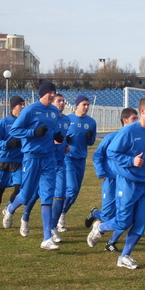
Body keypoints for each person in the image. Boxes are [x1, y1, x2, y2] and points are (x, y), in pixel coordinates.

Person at [86, 97, 145, 270]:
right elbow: (112, 152)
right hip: (128, 183)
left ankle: (125, 256)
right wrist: (131, 161)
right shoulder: (129, 131)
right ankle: (100, 228)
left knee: (141, 222)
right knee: (123, 222)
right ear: (143, 111)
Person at [2, 79, 63, 250]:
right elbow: (14, 130)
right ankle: (10, 209)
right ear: (42, 93)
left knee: (47, 196)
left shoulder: (53, 111)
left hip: (49, 157)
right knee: (27, 195)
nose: (52, 95)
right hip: (31, 157)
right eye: (49, 92)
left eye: (54, 92)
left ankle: (46, 239)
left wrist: (56, 137)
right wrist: (33, 133)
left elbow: (51, 131)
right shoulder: (30, 110)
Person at [85, 107, 138, 252]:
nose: (137, 121)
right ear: (124, 120)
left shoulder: (136, 139)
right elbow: (97, 155)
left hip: (127, 181)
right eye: (134, 119)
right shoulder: (111, 137)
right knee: (108, 214)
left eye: (137, 118)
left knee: (126, 213)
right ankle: (95, 213)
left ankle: (111, 242)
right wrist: (101, 171)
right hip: (111, 179)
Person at [19, 93, 70, 243]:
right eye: (58, 101)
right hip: (36, 158)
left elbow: (61, 137)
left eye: (63, 101)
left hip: (56, 162)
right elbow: (21, 131)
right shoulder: (37, 113)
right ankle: (23, 215)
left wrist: (65, 143)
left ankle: (51, 230)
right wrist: (35, 133)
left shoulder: (66, 119)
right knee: (30, 195)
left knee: (58, 195)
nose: (62, 103)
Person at [57, 95, 97, 232]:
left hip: (81, 159)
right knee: (72, 188)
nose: (86, 107)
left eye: (88, 105)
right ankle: (59, 216)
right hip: (68, 158)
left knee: (75, 193)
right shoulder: (68, 119)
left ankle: (61, 214)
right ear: (77, 105)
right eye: (84, 104)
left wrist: (90, 138)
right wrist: (65, 140)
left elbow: (91, 143)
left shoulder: (91, 122)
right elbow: (59, 137)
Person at [0, 96, 25, 230]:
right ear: (13, 107)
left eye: (23, 104)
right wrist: (8, 144)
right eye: (20, 104)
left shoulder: (25, 123)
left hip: (19, 162)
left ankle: (9, 207)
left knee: (20, 188)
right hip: (3, 161)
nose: (23, 106)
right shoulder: (4, 122)